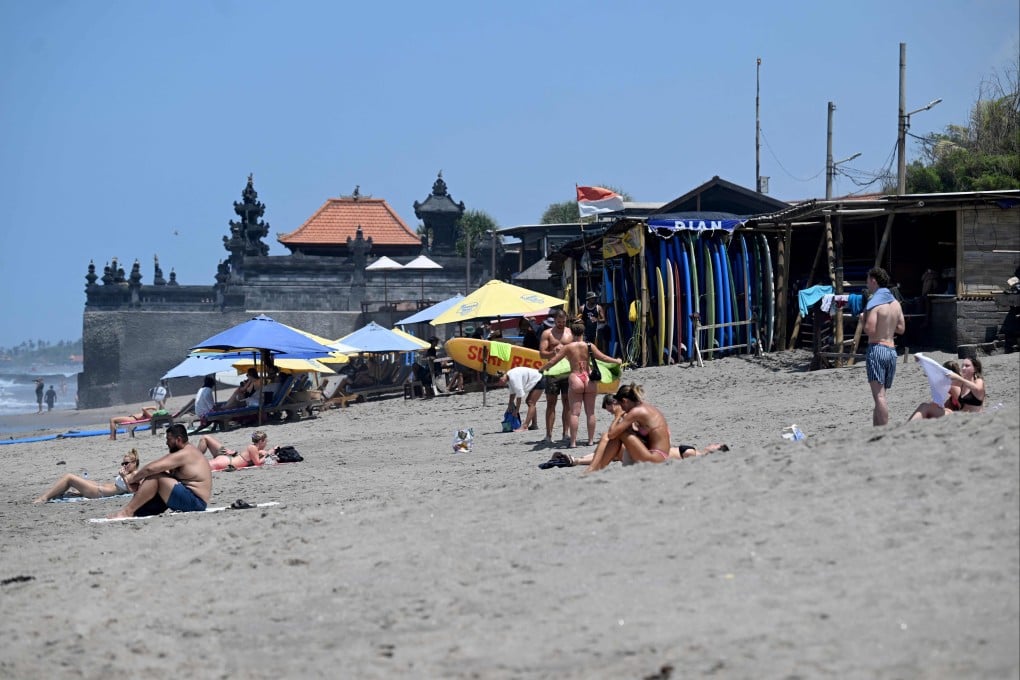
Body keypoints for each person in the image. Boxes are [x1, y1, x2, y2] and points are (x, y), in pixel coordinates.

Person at [542, 395, 727, 468]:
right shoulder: (693, 452)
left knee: (615, 450)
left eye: (716, 446)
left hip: (649, 456)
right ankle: (575, 460)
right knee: (616, 450)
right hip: (649, 451)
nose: (712, 444)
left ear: (715, 453)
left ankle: (575, 460)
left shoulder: (693, 455)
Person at [538, 320, 622, 448]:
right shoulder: (589, 346)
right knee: (591, 413)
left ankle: (573, 442)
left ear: (571, 332)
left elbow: (553, 361)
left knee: (574, 413)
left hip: (575, 377)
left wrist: (542, 369)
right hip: (588, 378)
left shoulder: (568, 347)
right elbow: (603, 357)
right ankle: (590, 441)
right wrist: (616, 360)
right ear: (583, 332)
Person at [107, 423, 211, 519]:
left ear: (178, 440)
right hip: (188, 498)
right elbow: (157, 467)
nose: (166, 443)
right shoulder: (183, 452)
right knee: (142, 503)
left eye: (169, 439)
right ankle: (135, 511)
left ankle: (127, 512)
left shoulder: (186, 453)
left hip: (195, 502)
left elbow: (150, 468)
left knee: (156, 476)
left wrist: (132, 480)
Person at [863, 267, 905, 426]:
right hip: (892, 350)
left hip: (877, 349)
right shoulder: (895, 303)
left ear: (873, 280)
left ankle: (885, 431)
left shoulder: (875, 304)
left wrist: (862, 319)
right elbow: (901, 329)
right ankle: (877, 428)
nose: (867, 284)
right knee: (881, 395)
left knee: (879, 397)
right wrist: (888, 326)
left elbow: (870, 330)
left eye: (868, 280)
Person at [34, 449, 141, 504]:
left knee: (69, 477)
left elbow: (133, 491)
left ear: (135, 462)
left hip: (99, 492)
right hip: (100, 487)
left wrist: (123, 477)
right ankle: (55, 493)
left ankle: (44, 498)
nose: (124, 466)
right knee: (74, 481)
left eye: (127, 463)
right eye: (123, 463)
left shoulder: (135, 474)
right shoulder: (128, 473)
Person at [908, 357, 986, 420]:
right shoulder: (960, 384)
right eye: (962, 366)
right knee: (925, 406)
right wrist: (924, 361)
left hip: (970, 418)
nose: (963, 368)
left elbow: (977, 389)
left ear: (975, 369)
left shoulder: (978, 381)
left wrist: (958, 378)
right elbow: (939, 373)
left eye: (967, 366)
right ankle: (906, 428)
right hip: (960, 416)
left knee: (928, 408)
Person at [539, 309, 574, 444]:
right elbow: (542, 353)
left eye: (563, 322)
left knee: (567, 402)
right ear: (554, 320)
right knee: (551, 403)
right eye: (559, 322)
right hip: (553, 372)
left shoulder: (570, 332)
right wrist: (553, 352)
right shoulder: (547, 333)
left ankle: (566, 433)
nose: (561, 324)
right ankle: (548, 435)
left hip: (568, 370)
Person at [197, 430, 275, 471]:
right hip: (227, 461)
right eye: (266, 441)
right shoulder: (253, 448)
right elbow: (257, 463)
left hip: (228, 457)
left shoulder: (255, 449)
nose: (266, 444)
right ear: (261, 441)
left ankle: (193, 457)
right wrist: (269, 453)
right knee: (198, 466)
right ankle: (192, 457)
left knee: (206, 437)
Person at [497, 367, 545, 431]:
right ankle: (534, 425)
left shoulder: (513, 378)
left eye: (500, 382)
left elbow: (519, 396)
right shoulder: (509, 377)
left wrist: (516, 411)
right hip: (535, 380)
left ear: (502, 377)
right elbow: (512, 393)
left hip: (539, 379)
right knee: (530, 402)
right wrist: (509, 405)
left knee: (530, 402)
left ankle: (525, 426)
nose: (500, 384)